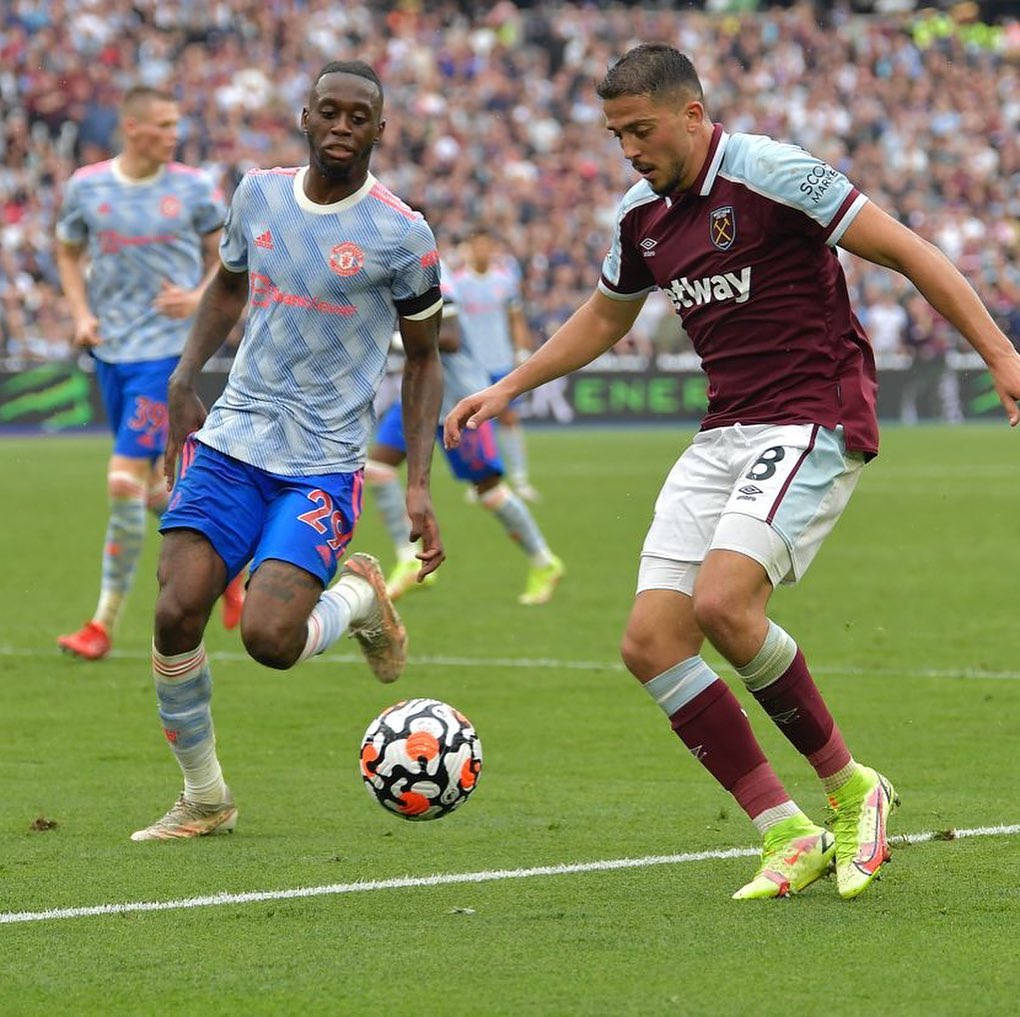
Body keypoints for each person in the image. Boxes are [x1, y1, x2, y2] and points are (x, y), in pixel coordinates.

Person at [446, 44, 1020, 900]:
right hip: (723, 432)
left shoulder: (772, 173)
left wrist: (1002, 355)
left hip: (813, 413)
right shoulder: (640, 215)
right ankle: (784, 828)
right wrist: (508, 384)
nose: (629, 149)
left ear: (691, 114)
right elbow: (605, 317)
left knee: (722, 603)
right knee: (650, 643)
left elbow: (908, 251)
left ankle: (853, 786)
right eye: (615, 135)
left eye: (640, 130)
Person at [130, 60, 445, 841]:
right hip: (235, 437)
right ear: (305, 116)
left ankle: (362, 597)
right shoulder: (259, 194)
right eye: (328, 112)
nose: (342, 126)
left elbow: (426, 358)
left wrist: (417, 484)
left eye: (358, 116)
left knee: (270, 640)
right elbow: (229, 286)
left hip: (321, 458)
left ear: (380, 129)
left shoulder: (402, 235)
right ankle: (205, 798)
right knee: (175, 612)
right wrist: (182, 377)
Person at [54, 85, 245, 660]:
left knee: (121, 481)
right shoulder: (87, 187)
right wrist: (81, 313)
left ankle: (101, 624)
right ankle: (231, 569)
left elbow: (229, 258)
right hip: (112, 351)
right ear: (131, 128)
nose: (173, 134)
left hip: (168, 356)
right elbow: (66, 250)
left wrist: (196, 298)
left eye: (175, 124)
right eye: (162, 125)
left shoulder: (192, 187)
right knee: (152, 491)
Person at [367, 265, 564, 605]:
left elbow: (451, 339)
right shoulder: (393, 277)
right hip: (419, 398)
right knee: (378, 468)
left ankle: (544, 562)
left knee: (488, 491)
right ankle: (407, 559)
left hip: (459, 401)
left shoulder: (435, 279)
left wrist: (394, 338)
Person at [451, 227, 540, 501]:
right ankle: (479, 479)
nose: (482, 251)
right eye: (477, 245)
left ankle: (520, 478)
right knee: (473, 423)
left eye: (486, 245)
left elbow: (515, 318)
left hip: (500, 360)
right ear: (469, 248)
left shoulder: (505, 280)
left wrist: (522, 349)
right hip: (470, 365)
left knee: (510, 419)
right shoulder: (457, 282)